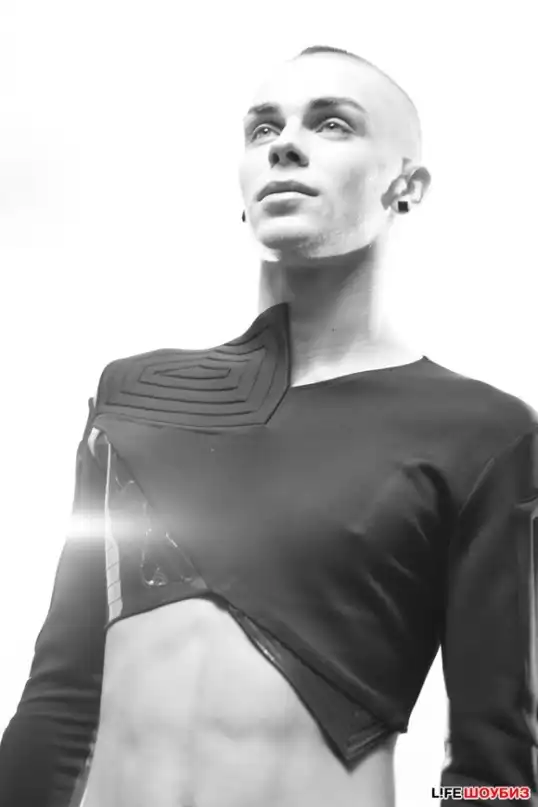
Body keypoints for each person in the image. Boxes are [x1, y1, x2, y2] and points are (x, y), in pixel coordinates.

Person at [0, 44, 537, 807]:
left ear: (407, 184)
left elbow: (496, 762)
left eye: (333, 124)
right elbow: (60, 692)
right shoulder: (135, 396)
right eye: (263, 129)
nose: (285, 144)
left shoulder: (480, 433)